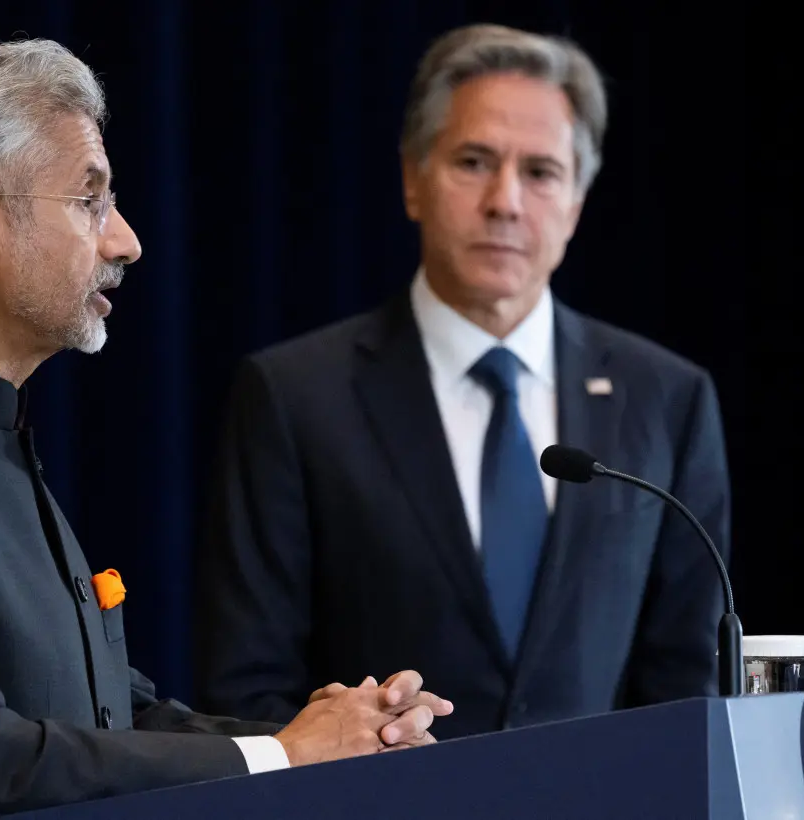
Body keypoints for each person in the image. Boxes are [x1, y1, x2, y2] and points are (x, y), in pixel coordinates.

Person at [0, 39, 452, 820]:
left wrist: (336, 738)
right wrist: (285, 754)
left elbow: (111, 717)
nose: (126, 241)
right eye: (90, 200)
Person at [194, 23, 731, 741]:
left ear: (576, 201)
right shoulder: (294, 396)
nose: (505, 201)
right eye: (474, 161)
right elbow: (248, 686)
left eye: (541, 172)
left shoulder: (667, 399)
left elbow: (688, 681)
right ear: (414, 178)